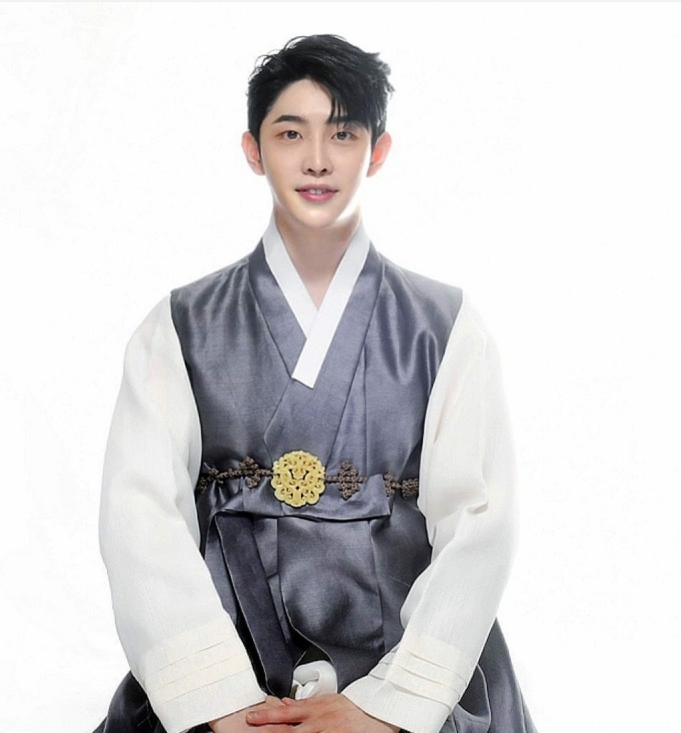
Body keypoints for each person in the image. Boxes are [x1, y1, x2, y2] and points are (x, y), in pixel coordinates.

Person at [94, 35, 536, 733]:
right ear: (253, 149)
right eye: (291, 132)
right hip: (229, 655)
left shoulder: (444, 326)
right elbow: (139, 517)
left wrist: (394, 704)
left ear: (377, 151)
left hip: (406, 657)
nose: (318, 159)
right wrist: (214, 697)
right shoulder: (180, 325)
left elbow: (481, 522)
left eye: (344, 133)